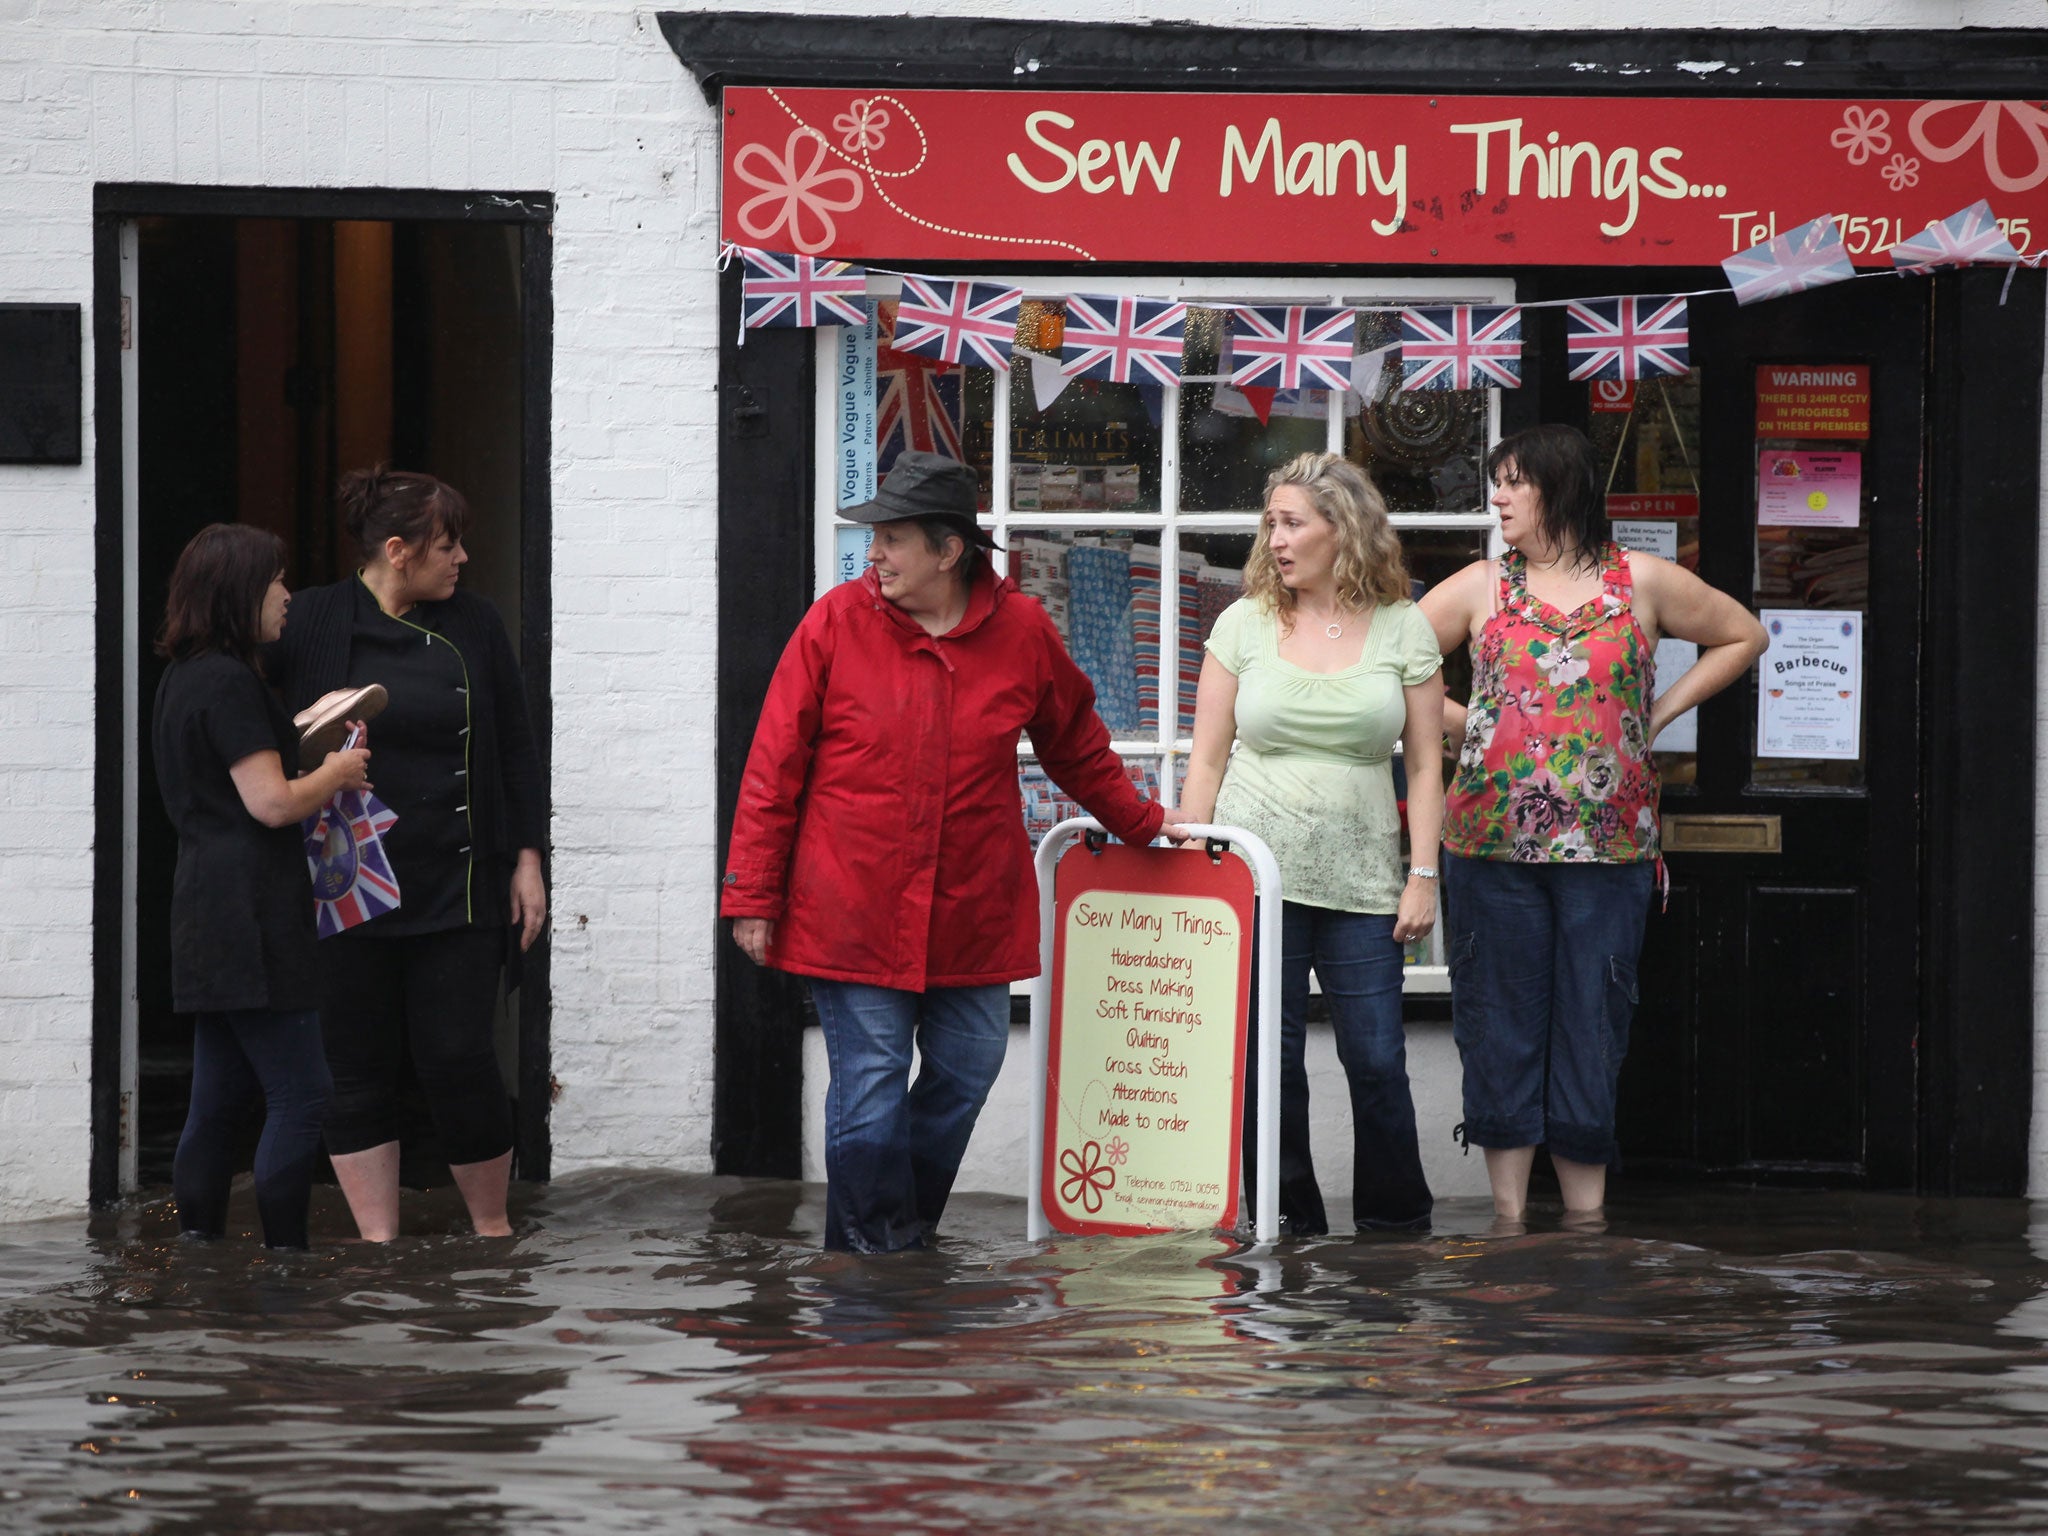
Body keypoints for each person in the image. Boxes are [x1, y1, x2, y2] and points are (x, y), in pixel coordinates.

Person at [723, 450, 1176, 1253]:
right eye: (877, 537)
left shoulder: (1023, 632)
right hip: (851, 903)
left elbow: (1074, 746)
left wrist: (1143, 823)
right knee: (868, 1082)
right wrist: (753, 895)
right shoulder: (833, 623)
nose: (877, 555)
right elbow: (773, 766)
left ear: (949, 550)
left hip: (972, 906)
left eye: (894, 539)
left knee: (968, 1067)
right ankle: (874, 1264)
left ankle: (898, 1234)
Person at [1420, 423, 1767, 1222]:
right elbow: (1387, 666)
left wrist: (1661, 709)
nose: (1498, 498)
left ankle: (1586, 1223)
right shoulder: (1483, 587)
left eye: (1513, 482)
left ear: (1561, 488)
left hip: (1609, 852)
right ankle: (1509, 1220)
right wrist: (1469, 721)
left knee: (1591, 1022)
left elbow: (1743, 634)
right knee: (1501, 1025)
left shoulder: (1641, 580)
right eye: (1495, 482)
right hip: (1490, 848)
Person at [267, 469, 547, 1240]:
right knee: (353, 1065)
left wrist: (526, 859)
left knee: (459, 1057)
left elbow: (516, 747)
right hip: (344, 884)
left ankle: (492, 1230)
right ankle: (377, 1246)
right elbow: (260, 740)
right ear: (398, 550)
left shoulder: (476, 624)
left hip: (457, 882)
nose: (461, 560)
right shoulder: (316, 621)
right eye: (448, 546)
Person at [1177, 451, 1445, 1236]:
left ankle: (1397, 1234)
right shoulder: (1244, 621)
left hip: (1365, 882)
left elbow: (1428, 764)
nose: (1277, 539)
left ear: (1345, 529)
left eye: (1293, 523)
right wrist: (1198, 866)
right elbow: (1207, 758)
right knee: (1271, 1063)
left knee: (1376, 1063)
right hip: (1257, 880)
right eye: (1273, 523)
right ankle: (1287, 1223)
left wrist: (1422, 875)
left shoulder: (1403, 625)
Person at [152, 523, 374, 1249]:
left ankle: (200, 1256)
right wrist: (338, 773)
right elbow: (271, 803)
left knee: (216, 1101)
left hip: (203, 907)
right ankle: (287, 1265)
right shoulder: (231, 679)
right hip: (254, 913)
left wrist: (303, 732)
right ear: (239, 592)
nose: (287, 595)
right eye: (276, 580)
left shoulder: (182, 678)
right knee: (302, 1093)